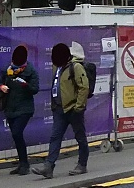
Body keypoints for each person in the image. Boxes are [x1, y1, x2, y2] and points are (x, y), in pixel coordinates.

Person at [31, 42, 90, 179]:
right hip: (59, 109)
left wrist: (78, 107)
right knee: (55, 137)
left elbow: (84, 87)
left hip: (73, 109)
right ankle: (49, 166)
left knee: (80, 137)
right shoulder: (57, 67)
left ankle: (82, 164)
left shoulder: (75, 67)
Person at [0, 45, 40, 175]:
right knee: (16, 136)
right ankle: (22, 163)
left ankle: (25, 164)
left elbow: (35, 89)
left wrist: (25, 85)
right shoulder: (8, 69)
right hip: (10, 107)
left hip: (24, 108)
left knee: (17, 133)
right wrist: (1, 87)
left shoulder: (31, 71)